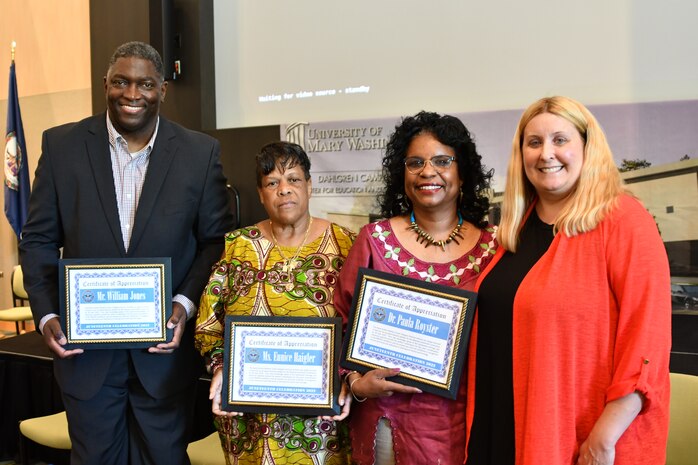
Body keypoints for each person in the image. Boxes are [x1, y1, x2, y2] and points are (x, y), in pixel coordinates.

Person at [20, 41, 234, 465]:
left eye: (145, 84)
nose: (132, 94)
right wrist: (46, 314)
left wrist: (183, 304)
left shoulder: (198, 152)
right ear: (105, 85)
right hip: (85, 358)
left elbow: (216, 242)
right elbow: (39, 239)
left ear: (162, 90)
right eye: (121, 82)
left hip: (163, 358)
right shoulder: (62, 146)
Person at [464, 96, 671, 465]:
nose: (546, 154)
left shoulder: (623, 219)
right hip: (501, 428)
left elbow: (647, 344)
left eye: (560, 140)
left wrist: (603, 438)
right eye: (534, 142)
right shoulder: (515, 230)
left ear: (587, 147)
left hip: (583, 440)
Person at [332, 111, 498, 465]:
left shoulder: (494, 248)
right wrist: (357, 382)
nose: (427, 171)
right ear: (402, 174)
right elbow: (340, 323)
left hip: (469, 420)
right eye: (415, 162)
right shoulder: (374, 240)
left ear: (462, 172)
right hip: (386, 420)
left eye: (442, 161)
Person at [195, 141, 356, 465]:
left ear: (309, 186)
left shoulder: (345, 245)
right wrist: (221, 368)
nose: (284, 190)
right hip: (249, 421)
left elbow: (360, 325)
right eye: (272, 182)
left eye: (293, 179)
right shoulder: (237, 246)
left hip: (321, 425)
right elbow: (209, 322)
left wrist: (351, 378)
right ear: (260, 193)